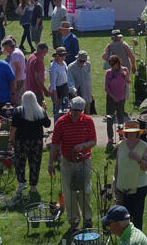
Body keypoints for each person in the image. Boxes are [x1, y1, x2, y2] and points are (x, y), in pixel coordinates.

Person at [50, 96, 97, 230]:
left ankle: (87, 219)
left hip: (84, 160)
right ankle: (74, 221)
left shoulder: (88, 121)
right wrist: (50, 163)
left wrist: (82, 146)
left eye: (79, 111)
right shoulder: (61, 122)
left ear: (82, 110)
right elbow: (54, 144)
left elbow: (93, 141)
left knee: (85, 191)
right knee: (69, 192)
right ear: (70, 108)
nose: (76, 113)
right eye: (74, 110)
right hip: (67, 161)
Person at [9, 90, 51, 196]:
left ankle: (21, 182)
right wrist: (45, 110)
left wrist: (10, 140)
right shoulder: (40, 111)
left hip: (21, 142)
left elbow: (13, 128)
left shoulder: (18, 111)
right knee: (35, 163)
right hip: (36, 142)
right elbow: (47, 124)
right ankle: (33, 186)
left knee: (20, 162)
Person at [113, 120, 147, 229]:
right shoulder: (121, 145)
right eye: (128, 132)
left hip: (139, 187)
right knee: (124, 219)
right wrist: (115, 182)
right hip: (122, 187)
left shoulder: (144, 146)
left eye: (133, 132)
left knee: (137, 219)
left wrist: (138, 159)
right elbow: (117, 166)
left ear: (137, 133)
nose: (131, 134)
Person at [103, 56, 130, 146]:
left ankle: (121, 135)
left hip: (121, 98)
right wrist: (112, 96)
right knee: (110, 118)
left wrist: (125, 76)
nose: (112, 67)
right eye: (111, 65)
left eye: (113, 65)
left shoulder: (124, 70)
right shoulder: (108, 73)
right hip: (111, 98)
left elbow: (128, 82)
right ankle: (110, 138)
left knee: (121, 118)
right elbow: (106, 87)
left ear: (118, 63)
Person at [68, 50, 95, 114]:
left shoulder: (88, 65)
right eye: (80, 61)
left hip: (87, 94)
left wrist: (90, 92)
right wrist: (75, 91)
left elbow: (89, 79)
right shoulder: (71, 67)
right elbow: (70, 81)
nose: (82, 62)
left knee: (87, 114)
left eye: (84, 61)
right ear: (77, 59)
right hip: (77, 95)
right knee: (77, 114)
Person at [3, 37, 26, 103]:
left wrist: (14, 82)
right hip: (21, 78)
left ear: (8, 47)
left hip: (18, 80)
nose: (4, 50)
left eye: (5, 48)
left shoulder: (14, 54)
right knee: (19, 97)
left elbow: (18, 69)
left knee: (16, 98)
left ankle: (17, 112)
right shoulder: (17, 51)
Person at [49, 47, 70, 117]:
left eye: (64, 55)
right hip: (57, 91)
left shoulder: (64, 63)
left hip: (64, 89)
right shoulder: (53, 67)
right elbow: (53, 84)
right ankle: (57, 127)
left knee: (65, 111)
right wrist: (55, 97)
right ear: (56, 56)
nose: (63, 57)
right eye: (61, 55)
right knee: (57, 112)